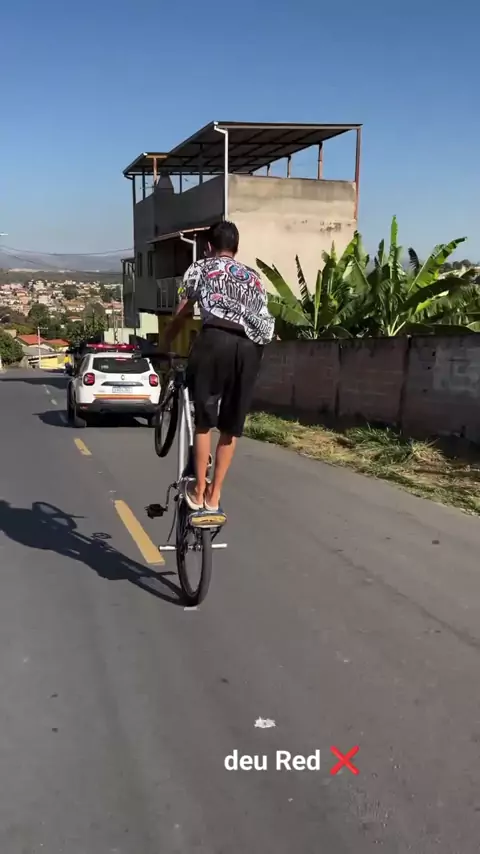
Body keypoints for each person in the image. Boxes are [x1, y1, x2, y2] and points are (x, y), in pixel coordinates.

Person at [163, 220, 274, 513]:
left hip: (215, 340)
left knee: (204, 423)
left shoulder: (200, 268)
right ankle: (214, 496)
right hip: (250, 347)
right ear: (236, 248)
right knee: (230, 428)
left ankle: (199, 490)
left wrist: (166, 341)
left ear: (209, 247)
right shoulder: (254, 277)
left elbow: (183, 312)